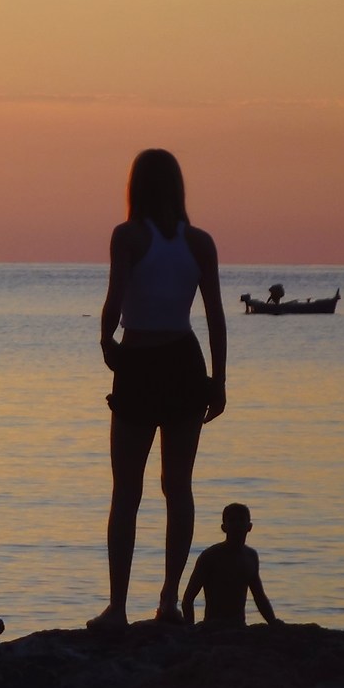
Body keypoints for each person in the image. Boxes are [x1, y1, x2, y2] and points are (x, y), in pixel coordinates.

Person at [92, 148, 229, 630]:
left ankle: (118, 606)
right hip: (184, 361)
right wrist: (219, 379)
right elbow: (214, 317)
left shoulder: (127, 235)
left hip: (141, 362)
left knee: (126, 491)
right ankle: (168, 599)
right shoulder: (200, 241)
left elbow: (115, 299)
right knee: (178, 488)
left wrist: (106, 340)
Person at [181, 503, 279, 628]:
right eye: (232, 520)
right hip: (213, 625)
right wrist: (191, 629)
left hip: (239, 625)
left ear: (249, 526)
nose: (237, 524)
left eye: (241, 520)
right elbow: (188, 599)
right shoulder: (210, 556)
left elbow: (259, 596)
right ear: (224, 527)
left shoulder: (250, 556)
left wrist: (273, 622)